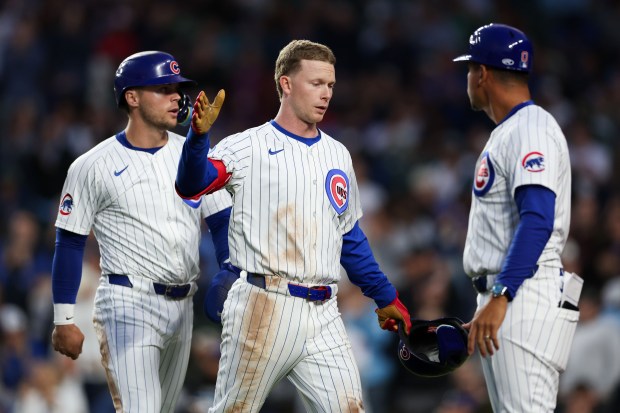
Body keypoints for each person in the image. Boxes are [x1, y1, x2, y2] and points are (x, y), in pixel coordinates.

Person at [175, 39, 411, 412]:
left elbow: (349, 236)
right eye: (316, 83)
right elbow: (192, 183)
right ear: (286, 84)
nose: (326, 93)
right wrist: (198, 139)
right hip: (262, 304)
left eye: (330, 85)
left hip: (324, 311)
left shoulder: (338, 153)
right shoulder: (246, 146)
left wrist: (384, 296)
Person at [50, 51, 232, 413]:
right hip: (127, 301)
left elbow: (222, 220)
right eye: (164, 88)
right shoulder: (92, 165)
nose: (177, 97)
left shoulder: (191, 154)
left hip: (183, 305)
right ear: (132, 97)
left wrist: (228, 268)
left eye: (178, 90)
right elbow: (69, 242)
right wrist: (63, 319)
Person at [453, 23, 581, 412]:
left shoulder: (531, 128)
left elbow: (538, 219)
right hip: (511, 295)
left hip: (522, 294)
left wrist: (502, 293)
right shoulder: (513, 130)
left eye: (470, 69)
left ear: (483, 74)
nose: (469, 77)